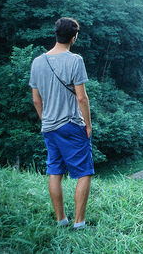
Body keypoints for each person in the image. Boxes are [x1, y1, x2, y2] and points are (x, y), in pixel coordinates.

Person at [29, 17, 93, 230]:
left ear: (56, 34)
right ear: (74, 37)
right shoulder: (75, 60)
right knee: (84, 172)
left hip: (49, 126)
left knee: (55, 172)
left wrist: (45, 119)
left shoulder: (37, 62)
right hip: (71, 125)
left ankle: (61, 220)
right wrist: (88, 125)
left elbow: (37, 100)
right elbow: (81, 98)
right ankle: (79, 224)